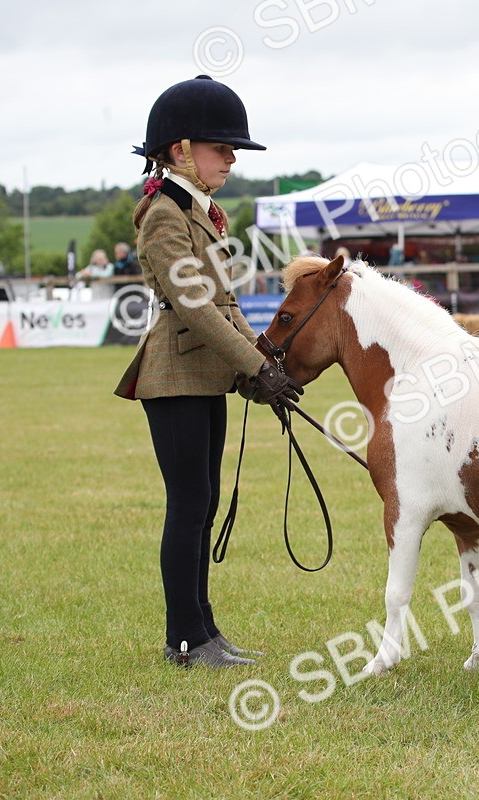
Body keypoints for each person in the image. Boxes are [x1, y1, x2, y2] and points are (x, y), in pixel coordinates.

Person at [114, 75, 304, 668]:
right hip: (175, 376)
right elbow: (194, 307)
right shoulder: (164, 215)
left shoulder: (199, 211)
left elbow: (224, 305)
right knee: (190, 504)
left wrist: (264, 362)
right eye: (222, 149)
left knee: (206, 502)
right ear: (180, 150)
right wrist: (252, 365)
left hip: (203, 377)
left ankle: (204, 632)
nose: (231, 159)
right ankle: (186, 639)